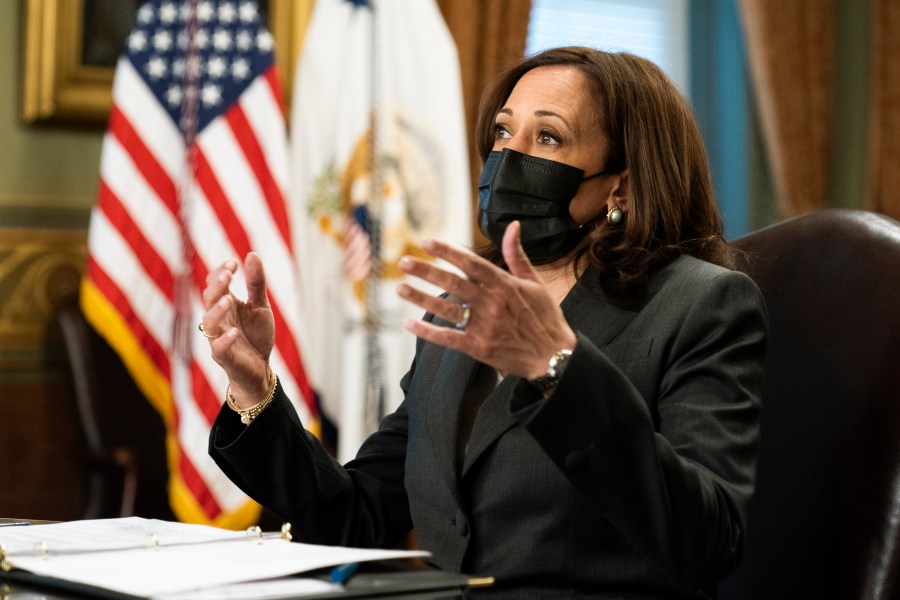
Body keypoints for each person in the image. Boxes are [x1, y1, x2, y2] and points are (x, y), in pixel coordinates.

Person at [201, 46, 767, 599]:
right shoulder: (465, 304)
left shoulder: (702, 303)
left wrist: (557, 370)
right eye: (502, 132)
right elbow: (360, 514)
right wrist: (254, 388)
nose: (508, 157)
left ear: (620, 183)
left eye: (548, 136)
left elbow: (707, 541)